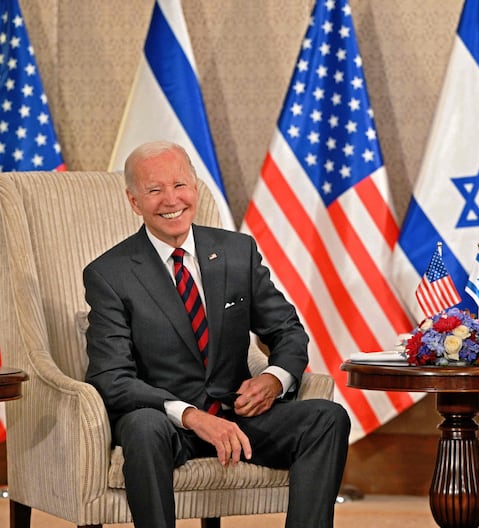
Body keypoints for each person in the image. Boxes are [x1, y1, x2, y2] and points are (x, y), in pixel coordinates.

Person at [84, 141, 350, 528]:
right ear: (133, 201)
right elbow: (111, 378)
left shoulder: (236, 251)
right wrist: (190, 416)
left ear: (195, 187)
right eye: (154, 190)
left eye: (180, 185)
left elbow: (288, 331)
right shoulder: (110, 273)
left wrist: (273, 381)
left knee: (328, 417)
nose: (171, 200)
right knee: (141, 428)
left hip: (236, 414)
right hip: (166, 422)